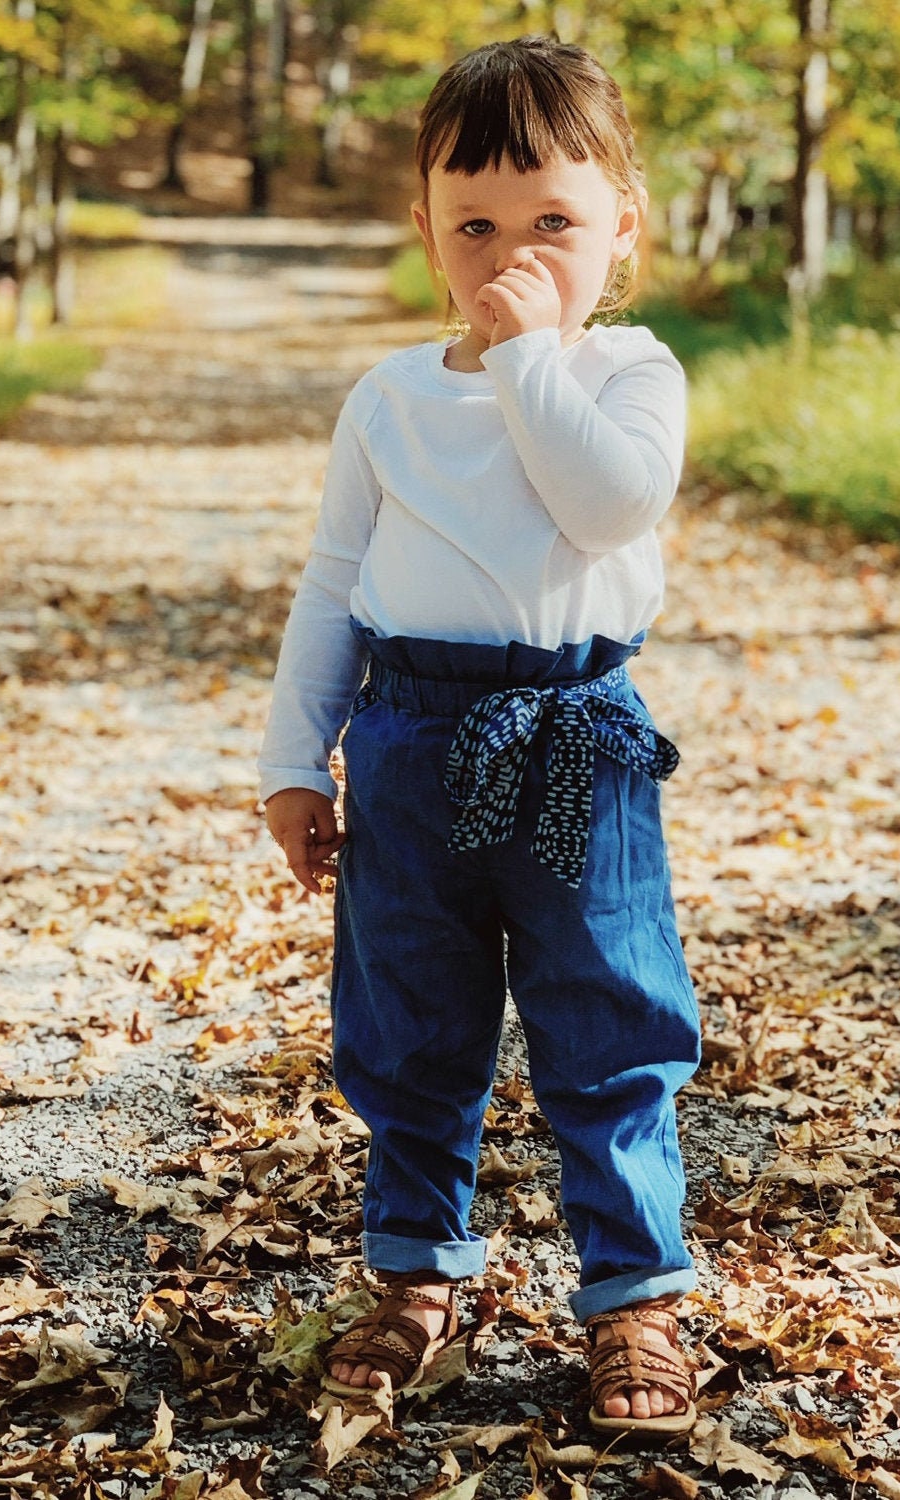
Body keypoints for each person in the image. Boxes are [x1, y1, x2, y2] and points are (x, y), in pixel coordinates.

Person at [256, 33, 702, 1437]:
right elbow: (334, 581)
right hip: (412, 736)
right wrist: (291, 758)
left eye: (555, 223)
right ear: (428, 231)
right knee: (408, 1018)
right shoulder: (389, 399)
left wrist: (528, 362)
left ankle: (634, 1296)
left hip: (575, 733)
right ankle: (414, 1274)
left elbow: (609, 504)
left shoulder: (629, 374)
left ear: (622, 225)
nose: (516, 254)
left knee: (610, 1012)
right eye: (479, 226)